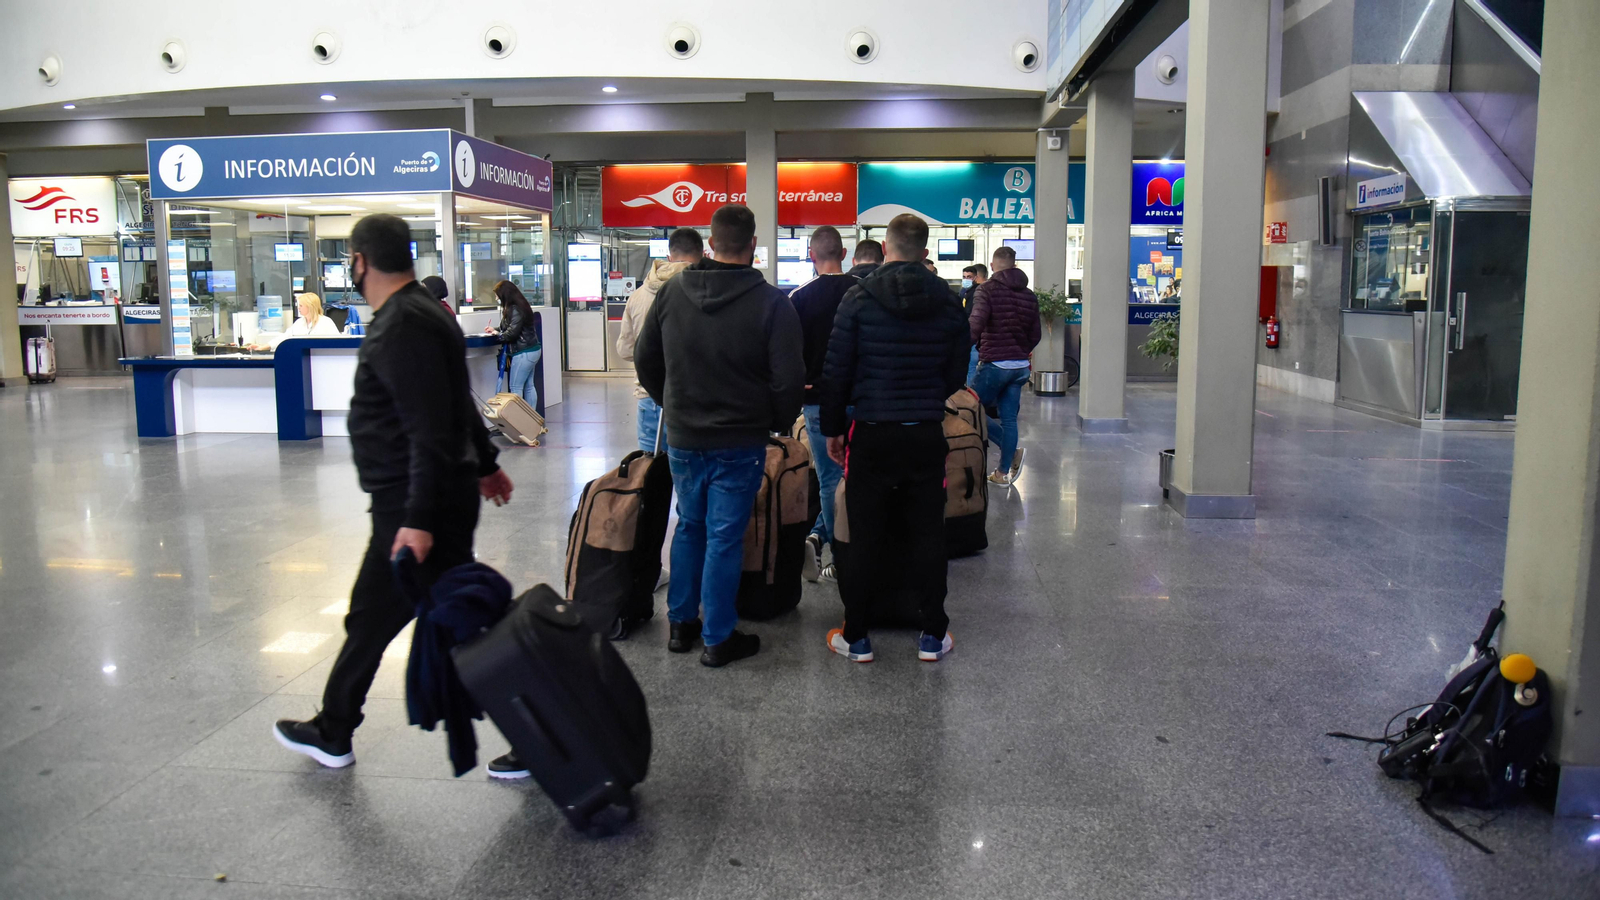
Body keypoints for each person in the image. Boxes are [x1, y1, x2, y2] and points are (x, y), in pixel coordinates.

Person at [273, 214, 517, 775]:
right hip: (428, 500)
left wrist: (417, 518)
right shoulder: (425, 312)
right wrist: (483, 465)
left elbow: (428, 428)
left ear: (359, 261)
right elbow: (455, 401)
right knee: (394, 619)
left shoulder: (401, 324)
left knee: (438, 621)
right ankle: (336, 726)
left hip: (413, 507)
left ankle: (542, 728)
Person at [635, 204, 804, 668]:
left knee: (690, 525)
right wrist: (770, 420)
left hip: (684, 437)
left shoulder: (672, 293)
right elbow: (789, 382)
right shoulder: (773, 303)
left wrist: (673, 403)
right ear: (753, 246)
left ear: (710, 244)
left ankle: (680, 624)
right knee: (725, 536)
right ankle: (718, 637)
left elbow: (645, 357)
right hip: (740, 439)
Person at [819, 213, 968, 664]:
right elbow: (956, 371)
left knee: (863, 534)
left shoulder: (856, 298)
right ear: (925, 252)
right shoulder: (947, 301)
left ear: (885, 248)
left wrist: (832, 428)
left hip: (872, 432)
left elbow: (836, 370)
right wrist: (924, 399)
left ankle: (857, 636)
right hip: (924, 433)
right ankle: (932, 635)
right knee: (928, 532)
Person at [787, 225, 857, 584]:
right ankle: (857, 549)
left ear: (811, 256)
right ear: (844, 254)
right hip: (859, 400)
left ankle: (837, 554)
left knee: (829, 480)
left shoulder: (798, 298)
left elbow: (791, 354)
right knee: (859, 475)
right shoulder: (861, 293)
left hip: (816, 401)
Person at [617, 227, 702, 453]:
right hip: (696, 398)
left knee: (652, 475)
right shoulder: (708, 290)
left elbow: (626, 350)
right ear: (703, 254)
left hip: (650, 396)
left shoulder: (638, 296)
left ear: (668, 256)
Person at [970, 245, 1040, 486]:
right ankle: (1002, 473)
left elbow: (975, 324)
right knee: (1009, 419)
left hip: (995, 365)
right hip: (1020, 367)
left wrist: (964, 347)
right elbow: (1036, 334)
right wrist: (1020, 351)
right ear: (1015, 264)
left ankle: (1009, 452)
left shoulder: (986, 290)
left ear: (992, 265)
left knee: (969, 409)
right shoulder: (1029, 295)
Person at [486, 281, 541, 412]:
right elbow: (509, 327)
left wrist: (497, 335)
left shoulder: (514, 309)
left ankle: (518, 422)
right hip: (531, 350)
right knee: (529, 386)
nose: (496, 298)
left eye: (497, 295)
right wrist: (494, 329)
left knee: (515, 387)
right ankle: (532, 419)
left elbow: (511, 333)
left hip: (523, 353)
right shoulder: (520, 306)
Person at [249, 292, 340, 350]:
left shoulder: (326, 322)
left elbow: (337, 344)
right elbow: (284, 338)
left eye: (301, 306)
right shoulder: (299, 323)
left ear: (310, 306)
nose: (298, 308)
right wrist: (263, 347)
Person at [960, 264, 990, 383]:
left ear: (976, 277)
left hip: (973, 334)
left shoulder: (976, 292)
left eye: (969, 277)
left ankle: (971, 394)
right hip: (974, 334)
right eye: (964, 277)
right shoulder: (966, 292)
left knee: (971, 365)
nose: (966, 279)